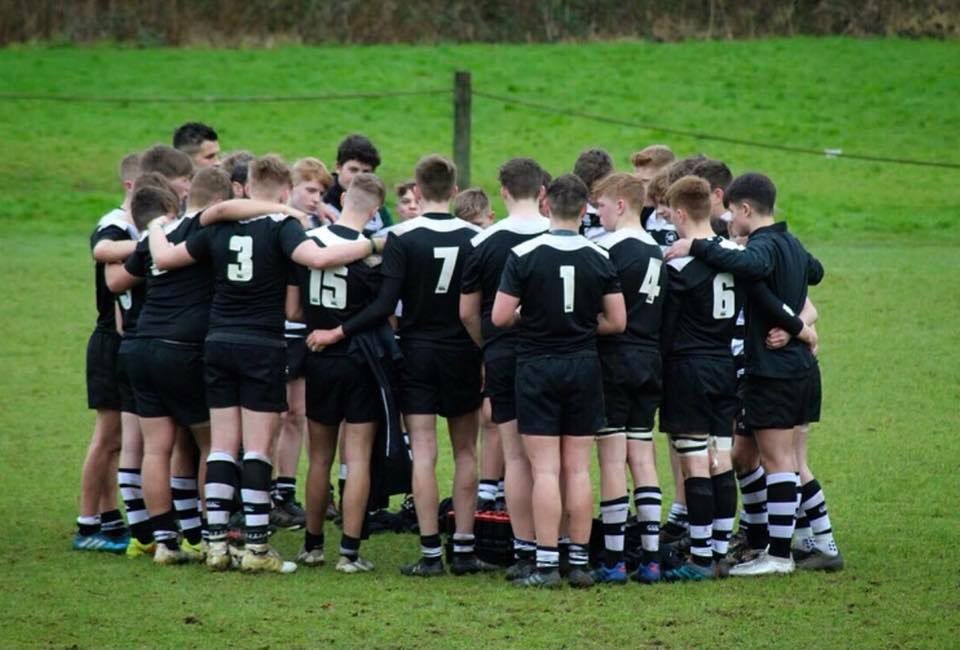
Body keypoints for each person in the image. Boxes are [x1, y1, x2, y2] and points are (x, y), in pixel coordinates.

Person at [147, 154, 378, 574]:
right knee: (256, 448)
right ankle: (255, 548)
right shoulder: (285, 226)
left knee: (220, 446)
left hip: (217, 341)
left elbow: (163, 260)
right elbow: (318, 261)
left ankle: (215, 544)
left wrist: (154, 227)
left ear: (245, 187)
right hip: (262, 345)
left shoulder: (218, 225)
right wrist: (374, 243)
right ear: (286, 190)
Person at [310, 154, 494, 577]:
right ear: (453, 191)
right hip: (462, 351)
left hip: (415, 352)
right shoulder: (477, 237)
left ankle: (430, 552)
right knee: (466, 450)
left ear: (416, 190)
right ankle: (463, 549)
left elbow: (384, 303)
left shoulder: (399, 236)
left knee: (424, 452)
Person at [665, 172, 829, 576]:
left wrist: (698, 245)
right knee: (759, 457)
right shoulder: (790, 242)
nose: (727, 221)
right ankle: (811, 540)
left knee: (778, 462)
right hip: (798, 368)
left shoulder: (762, 247)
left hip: (773, 370)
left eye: (731, 213)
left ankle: (778, 554)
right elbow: (815, 271)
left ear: (745, 209)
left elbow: (753, 269)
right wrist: (798, 323)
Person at [492, 174, 626, 589]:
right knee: (578, 469)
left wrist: (530, 319)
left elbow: (498, 318)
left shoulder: (524, 254)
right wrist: (581, 326)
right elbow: (618, 321)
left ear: (546, 204)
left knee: (545, 470)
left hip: (537, 365)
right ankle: (580, 562)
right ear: (585, 209)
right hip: (583, 365)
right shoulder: (600, 255)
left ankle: (547, 565)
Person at [108, 168, 235, 564]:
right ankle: (203, 534)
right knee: (209, 444)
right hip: (181, 348)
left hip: (138, 346)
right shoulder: (208, 235)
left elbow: (116, 284)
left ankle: (164, 543)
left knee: (156, 449)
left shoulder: (155, 234)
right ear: (219, 204)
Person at [290, 173, 389, 573]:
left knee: (318, 457)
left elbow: (293, 311)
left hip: (318, 357)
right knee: (358, 457)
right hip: (359, 358)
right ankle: (349, 552)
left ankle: (312, 545)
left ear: (343, 196)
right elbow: (382, 311)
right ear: (376, 210)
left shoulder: (309, 244)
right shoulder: (373, 253)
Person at [459, 158, 550, 580]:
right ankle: (561, 546)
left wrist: (488, 345)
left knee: (515, 456)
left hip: (503, 353)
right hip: (556, 355)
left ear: (504, 191)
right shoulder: (561, 234)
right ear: (543, 192)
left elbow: (466, 312)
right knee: (557, 460)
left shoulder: (484, 242)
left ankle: (525, 549)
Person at [657, 176, 743, 580]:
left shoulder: (677, 263)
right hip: (724, 365)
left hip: (688, 368)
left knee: (694, 462)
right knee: (721, 458)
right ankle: (721, 551)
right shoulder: (733, 253)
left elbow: (666, 327)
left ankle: (700, 558)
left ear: (677, 213)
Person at [592, 173, 666, 584]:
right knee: (642, 456)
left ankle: (615, 559)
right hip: (650, 359)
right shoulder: (656, 250)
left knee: (611, 458)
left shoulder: (606, 248)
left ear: (621, 204)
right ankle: (651, 559)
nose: (596, 213)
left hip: (615, 360)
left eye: (601, 205)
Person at [74, 152, 142, 554]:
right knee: (107, 438)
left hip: (126, 342)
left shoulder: (131, 226)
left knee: (118, 439)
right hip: (108, 342)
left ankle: (109, 517)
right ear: (131, 186)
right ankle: (87, 523)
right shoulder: (113, 224)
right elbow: (102, 250)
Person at [272, 157, 336, 530]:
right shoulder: (279, 225)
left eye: (321, 192)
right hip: (276, 330)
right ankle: (263, 494)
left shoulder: (315, 226)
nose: (315, 198)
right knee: (276, 415)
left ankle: (285, 490)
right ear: (288, 189)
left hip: (302, 333)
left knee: (298, 414)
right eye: (310, 190)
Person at [323, 134, 393, 235]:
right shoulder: (319, 199)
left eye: (366, 172)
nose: (359, 178)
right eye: (353, 170)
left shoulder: (377, 205)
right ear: (338, 167)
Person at [572, 148, 613, 240]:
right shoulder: (571, 209)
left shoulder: (620, 208)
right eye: (589, 191)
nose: (593, 197)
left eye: (599, 190)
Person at [630, 144, 676, 222]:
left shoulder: (679, 216)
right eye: (635, 181)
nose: (638, 187)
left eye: (645, 181)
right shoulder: (637, 214)